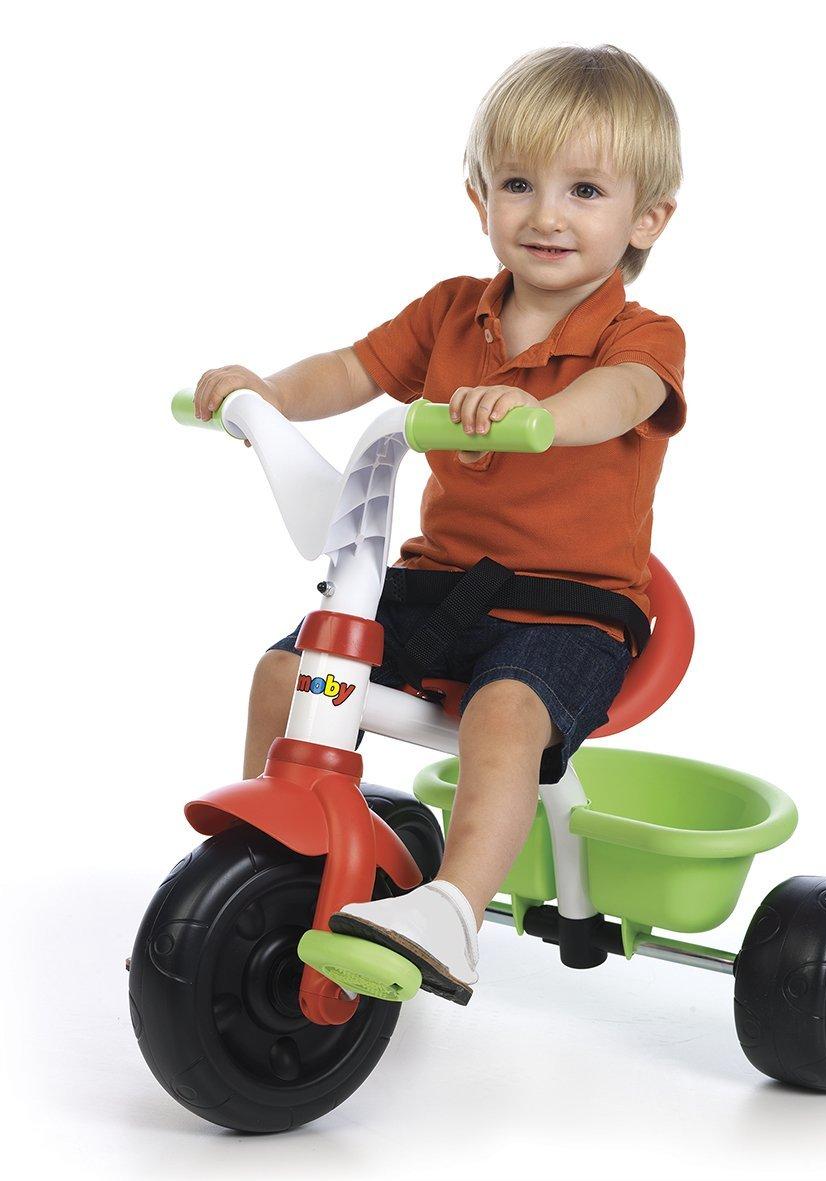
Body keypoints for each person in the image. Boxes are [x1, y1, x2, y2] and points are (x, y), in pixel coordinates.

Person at [193, 44, 686, 1005]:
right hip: (437, 588)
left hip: (573, 612)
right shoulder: (451, 312)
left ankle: (454, 912)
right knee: (288, 673)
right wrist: (269, 393)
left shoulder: (640, 336)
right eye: (518, 184)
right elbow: (353, 368)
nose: (546, 215)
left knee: (505, 711)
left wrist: (544, 414)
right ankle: (256, 867)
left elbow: (624, 398)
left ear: (646, 219)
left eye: (585, 190)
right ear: (479, 197)